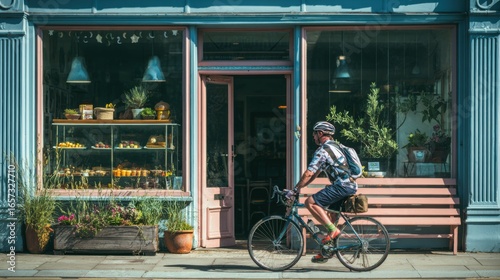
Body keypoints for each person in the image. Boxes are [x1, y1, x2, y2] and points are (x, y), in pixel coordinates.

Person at [289, 121, 358, 263]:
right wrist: (299, 188)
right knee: (331, 217)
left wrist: (294, 190)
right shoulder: (335, 146)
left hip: (342, 186)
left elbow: (308, 173)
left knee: (310, 202)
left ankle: (333, 231)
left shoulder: (323, 150)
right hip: (348, 185)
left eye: (314, 134)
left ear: (320, 134)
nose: (313, 137)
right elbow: (313, 175)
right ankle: (327, 252)